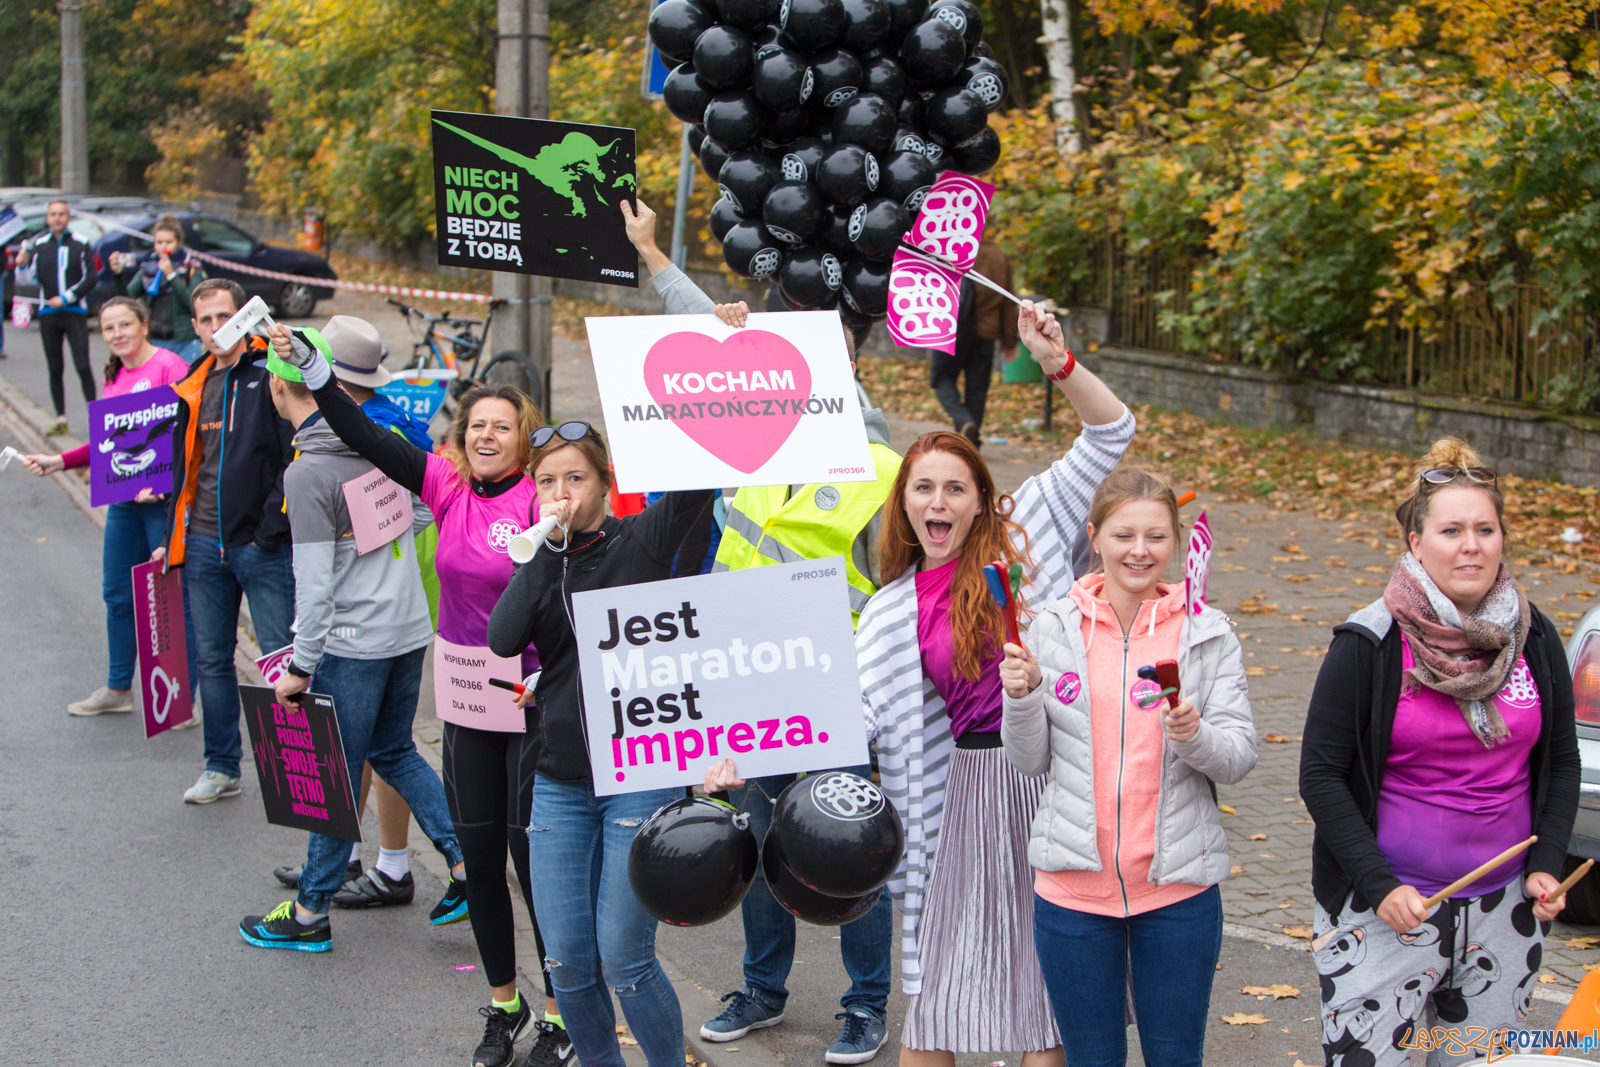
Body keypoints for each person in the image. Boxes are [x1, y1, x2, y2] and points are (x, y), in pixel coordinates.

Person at [622, 199, 901, 1064]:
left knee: (844, 843)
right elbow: (706, 355)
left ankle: (866, 1002)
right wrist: (652, 259)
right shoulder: (752, 425)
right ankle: (764, 989)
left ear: (844, 361)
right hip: (748, 675)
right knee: (753, 826)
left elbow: (903, 585)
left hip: (837, 688)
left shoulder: (875, 459)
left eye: (817, 350)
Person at [269, 325, 567, 1067]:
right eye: (476, 426)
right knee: (482, 858)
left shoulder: (545, 500)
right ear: (460, 439)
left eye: (502, 426)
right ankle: (506, 1003)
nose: (488, 435)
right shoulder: (443, 484)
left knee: (536, 869)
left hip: (531, 709)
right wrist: (312, 365)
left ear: (524, 437)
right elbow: (358, 429)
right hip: (465, 706)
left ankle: (561, 1015)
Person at [853, 301, 1134, 1067]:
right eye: (923, 489)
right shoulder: (888, 610)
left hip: (1051, 778)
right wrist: (733, 754)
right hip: (966, 797)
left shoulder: (1032, 528)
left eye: (953, 487)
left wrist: (1058, 362)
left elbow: (1112, 433)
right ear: (904, 504)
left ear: (981, 496)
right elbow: (850, 718)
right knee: (938, 997)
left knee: (1041, 986)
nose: (938, 501)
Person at [1299, 437, 1581, 1067]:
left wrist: (1549, 863)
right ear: (1415, 543)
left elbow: (1561, 760)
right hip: (1388, 909)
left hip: (1504, 911)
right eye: (1451, 529)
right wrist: (1379, 884)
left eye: (1485, 528)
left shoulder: (1533, 637)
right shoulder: (1370, 643)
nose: (1471, 544)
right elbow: (1320, 777)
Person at [999, 467, 1258, 1067]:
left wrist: (1194, 735)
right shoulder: (1054, 627)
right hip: (1071, 893)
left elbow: (1238, 757)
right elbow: (1028, 758)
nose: (1140, 551)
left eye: (1156, 537)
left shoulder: (1207, 635)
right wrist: (1022, 697)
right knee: (1092, 1060)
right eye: (1123, 535)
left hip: (1177, 892)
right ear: (1095, 536)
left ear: (1177, 541)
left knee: (1174, 1057)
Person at [487, 425, 715, 1067]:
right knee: (567, 964)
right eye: (547, 481)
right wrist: (539, 552)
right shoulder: (543, 560)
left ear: (604, 481)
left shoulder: (641, 540)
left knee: (624, 960)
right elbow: (503, 640)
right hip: (560, 782)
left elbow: (705, 468)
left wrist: (726, 341)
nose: (560, 493)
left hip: (639, 774)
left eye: (575, 478)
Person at [238, 320, 468, 951]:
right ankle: (465, 861)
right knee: (393, 750)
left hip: (352, 638)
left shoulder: (308, 471)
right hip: (407, 625)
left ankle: (310, 912)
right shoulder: (380, 442)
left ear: (284, 393)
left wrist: (301, 664)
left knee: (332, 771)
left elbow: (313, 586)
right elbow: (427, 509)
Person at [19, 296, 199, 716]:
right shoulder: (115, 374)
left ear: (143, 325)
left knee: (171, 601)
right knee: (117, 596)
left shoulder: (170, 367)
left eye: (125, 325)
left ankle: (180, 701)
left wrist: (164, 485)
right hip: (123, 504)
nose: (117, 334)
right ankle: (119, 689)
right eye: (109, 328)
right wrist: (59, 460)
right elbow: (109, 444)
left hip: (162, 505)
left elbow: (191, 435)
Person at [156, 277, 297, 805]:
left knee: (282, 660)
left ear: (243, 315)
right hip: (202, 545)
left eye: (224, 316)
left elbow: (295, 455)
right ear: (194, 328)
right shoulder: (192, 383)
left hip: (258, 547)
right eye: (206, 320)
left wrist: (268, 532)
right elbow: (185, 470)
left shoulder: (270, 369)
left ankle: (299, 768)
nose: (217, 328)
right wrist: (176, 534)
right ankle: (221, 766)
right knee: (213, 659)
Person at [16, 199, 96, 435]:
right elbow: (29, 279)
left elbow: (90, 278)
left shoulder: (81, 243)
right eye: (53, 214)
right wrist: (21, 265)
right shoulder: (39, 245)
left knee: (82, 364)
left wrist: (68, 297)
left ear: (68, 217)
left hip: (74, 312)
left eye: (61, 214)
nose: (57, 218)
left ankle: (95, 418)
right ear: (48, 218)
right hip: (48, 314)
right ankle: (61, 417)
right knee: (55, 367)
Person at [929, 240, 1016, 447]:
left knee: (941, 379)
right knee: (977, 388)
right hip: (987, 333)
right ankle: (971, 443)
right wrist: (1009, 342)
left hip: (952, 330)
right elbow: (1008, 302)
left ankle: (963, 420)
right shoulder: (999, 256)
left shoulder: (950, 250)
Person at [109, 213, 207, 363]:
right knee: (159, 386)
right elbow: (126, 300)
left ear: (179, 242)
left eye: (169, 242)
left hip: (185, 341)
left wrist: (172, 276)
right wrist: (117, 276)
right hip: (155, 340)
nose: (163, 246)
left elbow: (193, 304)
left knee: (187, 384)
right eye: (159, 242)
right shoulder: (149, 267)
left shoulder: (191, 267)